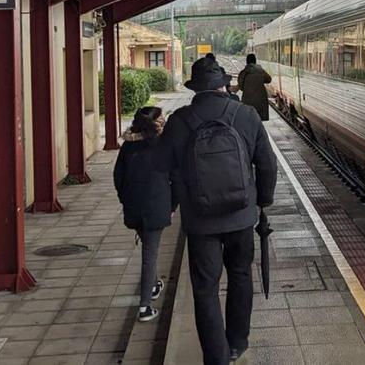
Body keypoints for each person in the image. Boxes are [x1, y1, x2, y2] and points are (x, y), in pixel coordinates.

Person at [164, 57, 277, 364]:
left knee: (205, 288)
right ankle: (238, 342)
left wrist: (172, 205)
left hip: (201, 221)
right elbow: (266, 164)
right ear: (224, 85)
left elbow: (165, 169)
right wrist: (263, 201)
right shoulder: (247, 115)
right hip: (241, 216)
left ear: (195, 89)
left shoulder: (178, 121)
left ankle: (216, 356)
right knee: (241, 275)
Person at [112, 106, 174, 323]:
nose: (164, 121)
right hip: (155, 207)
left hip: (134, 208)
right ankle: (145, 306)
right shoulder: (161, 146)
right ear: (155, 123)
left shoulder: (128, 147)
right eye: (162, 118)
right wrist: (172, 205)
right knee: (150, 255)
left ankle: (155, 284)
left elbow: (118, 176)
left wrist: (125, 199)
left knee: (149, 248)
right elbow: (173, 176)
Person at [237, 54, 273, 121]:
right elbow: (269, 79)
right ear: (255, 61)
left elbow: (241, 87)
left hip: (247, 102)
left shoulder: (244, 72)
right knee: (258, 121)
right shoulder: (261, 71)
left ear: (247, 61)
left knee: (248, 120)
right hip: (260, 101)